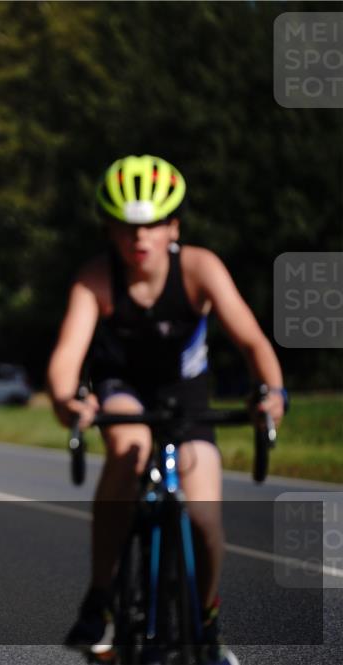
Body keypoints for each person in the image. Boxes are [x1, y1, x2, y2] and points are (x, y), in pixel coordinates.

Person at [47, 155, 286, 665]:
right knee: (128, 448)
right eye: (127, 225)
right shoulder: (96, 278)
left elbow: (253, 342)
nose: (141, 236)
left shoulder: (200, 268)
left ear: (173, 227)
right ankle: (101, 599)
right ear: (110, 229)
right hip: (122, 388)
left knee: (202, 516)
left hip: (185, 394)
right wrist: (69, 401)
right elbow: (66, 358)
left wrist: (272, 394)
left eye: (153, 224)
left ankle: (207, 619)